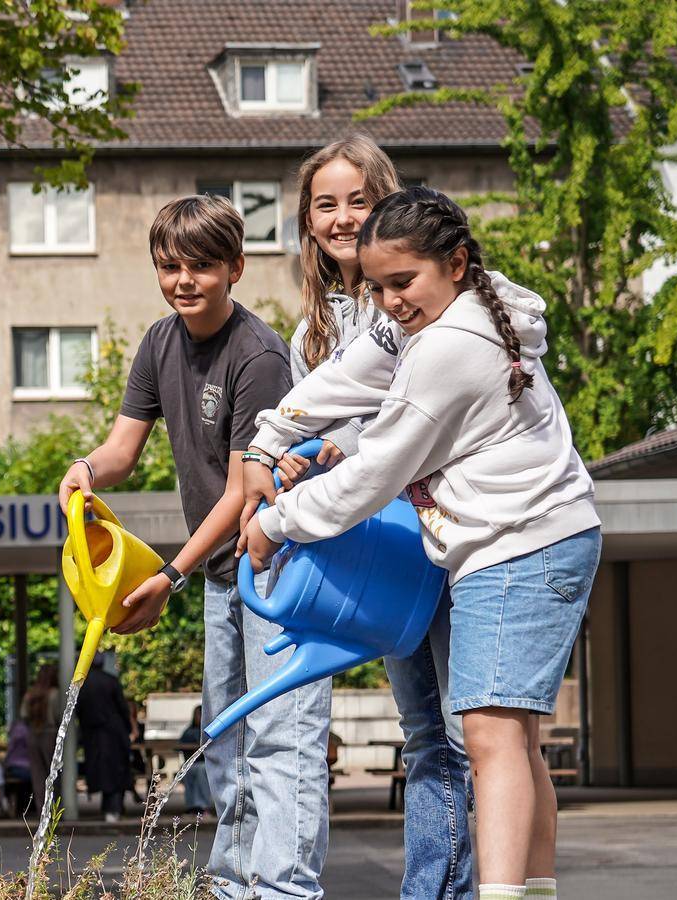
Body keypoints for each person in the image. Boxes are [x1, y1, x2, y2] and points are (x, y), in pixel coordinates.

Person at [243, 187, 602, 900]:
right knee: (514, 744)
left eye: (402, 282)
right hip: (538, 539)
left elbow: (373, 473)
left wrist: (275, 522)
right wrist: (272, 434)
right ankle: (531, 893)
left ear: (457, 264)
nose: (388, 301)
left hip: (519, 547)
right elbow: (347, 376)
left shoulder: (448, 348)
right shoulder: (446, 315)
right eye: (375, 286)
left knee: (491, 739)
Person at [56, 193, 324, 895]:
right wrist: (84, 471)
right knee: (226, 739)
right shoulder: (158, 342)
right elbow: (122, 448)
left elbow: (241, 491)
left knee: (277, 739)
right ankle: (234, 885)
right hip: (218, 575)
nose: (183, 281)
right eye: (169, 266)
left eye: (201, 267)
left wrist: (169, 575)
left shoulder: (257, 355)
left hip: (276, 564)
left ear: (234, 268)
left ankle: (285, 889)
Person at [246, 134, 477, 900]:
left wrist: (334, 456)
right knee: (424, 732)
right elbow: (325, 423)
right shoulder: (313, 327)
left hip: (441, 528)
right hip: (383, 542)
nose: (343, 218)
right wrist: (291, 457)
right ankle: (435, 888)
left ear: (388, 205)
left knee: (462, 732)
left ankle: (455, 888)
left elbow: (401, 424)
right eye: (326, 204)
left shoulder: (419, 303)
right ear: (307, 222)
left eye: (358, 200)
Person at [77, 653, 133, 823]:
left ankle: (109, 809)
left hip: (92, 734)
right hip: (114, 733)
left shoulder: (82, 684)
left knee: (100, 771)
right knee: (116, 771)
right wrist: (128, 728)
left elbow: (77, 709)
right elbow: (123, 707)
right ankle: (114, 808)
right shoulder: (110, 681)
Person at [5, 695, 37, 815]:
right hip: (18, 765)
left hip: (25, 764)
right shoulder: (21, 728)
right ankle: (27, 807)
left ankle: (28, 806)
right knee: (34, 776)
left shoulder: (26, 727)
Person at [178, 706, 210, 813]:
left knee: (201, 770)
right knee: (186, 770)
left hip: (208, 763)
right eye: (197, 715)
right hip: (193, 763)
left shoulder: (210, 729)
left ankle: (202, 806)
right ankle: (191, 806)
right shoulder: (189, 731)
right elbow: (181, 745)